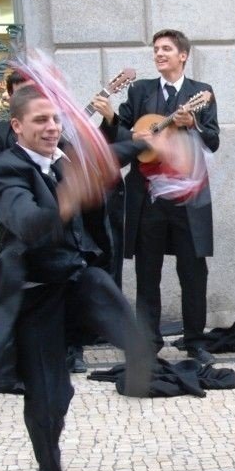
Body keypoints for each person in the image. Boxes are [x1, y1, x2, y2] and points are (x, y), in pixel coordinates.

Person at [0, 85, 153, 471]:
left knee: (103, 291)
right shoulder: (6, 170)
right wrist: (67, 198)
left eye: (55, 119)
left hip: (77, 276)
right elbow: (30, 223)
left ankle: (140, 355)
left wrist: (152, 141)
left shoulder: (66, 157)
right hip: (38, 292)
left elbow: (111, 156)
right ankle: (46, 467)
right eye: (41, 120)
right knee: (50, 395)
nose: (52, 127)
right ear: (16, 126)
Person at [94, 29, 219, 363]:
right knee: (147, 273)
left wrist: (192, 123)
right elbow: (124, 138)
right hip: (147, 197)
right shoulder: (140, 90)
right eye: (156, 49)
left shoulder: (200, 93)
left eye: (167, 49)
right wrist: (109, 118)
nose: (159, 54)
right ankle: (148, 343)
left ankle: (195, 341)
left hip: (188, 198)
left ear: (183, 56)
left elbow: (214, 141)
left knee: (193, 272)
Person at [0, 71, 89, 373]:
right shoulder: (4, 141)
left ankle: (70, 351)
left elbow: (95, 160)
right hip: (24, 234)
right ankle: (17, 363)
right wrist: (15, 185)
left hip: (66, 247)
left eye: (54, 118)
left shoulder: (57, 143)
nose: (50, 126)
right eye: (22, 91)